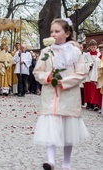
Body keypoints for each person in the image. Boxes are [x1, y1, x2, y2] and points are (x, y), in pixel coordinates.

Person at [33, 18, 89, 170]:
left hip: (69, 97)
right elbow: (37, 72)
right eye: (52, 31)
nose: (53, 34)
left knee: (68, 131)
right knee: (51, 128)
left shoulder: (75, 52)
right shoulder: (46, 52)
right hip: (50, 97)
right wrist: (48, 77)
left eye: (57, 31)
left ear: (67, 33)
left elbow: (82, 72)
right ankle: (50, 160)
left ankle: (66, 162)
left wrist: (64, 81)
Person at [83, 39, 101, 111]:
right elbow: (84, 63)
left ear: (96, 47)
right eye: (92, 47)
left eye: (94, 47)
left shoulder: (99, 55)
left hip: (96, 74)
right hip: (88, 74)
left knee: (95, 90)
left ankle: (95, 103)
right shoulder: (86, 55)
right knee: (88, 90)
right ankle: (88, 103)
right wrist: (89, 65)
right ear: (89, 47)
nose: (93, 48)